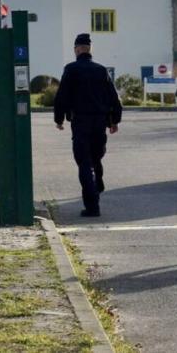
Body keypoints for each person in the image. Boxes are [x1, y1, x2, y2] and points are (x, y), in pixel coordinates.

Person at [54, 33, 122, 217]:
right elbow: (113, 97)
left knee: (84, 162)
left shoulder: (71, 69)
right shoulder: (101, 70)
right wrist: (114, 120)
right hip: (99, 122)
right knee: (96, 157)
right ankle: (97, 182)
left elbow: (62, 97)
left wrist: (59, 119)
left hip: (80, 122)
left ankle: (92, 206)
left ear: (76, 49)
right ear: (90, 49)